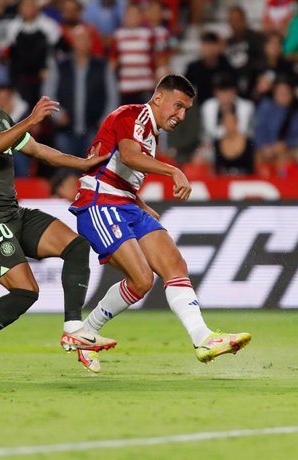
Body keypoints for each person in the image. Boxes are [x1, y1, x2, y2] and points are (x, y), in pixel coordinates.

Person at [0, 46, 115, 380]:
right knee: (26, 292)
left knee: (77, 247)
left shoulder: (1, 117)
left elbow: (38, 151)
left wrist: (83, 163)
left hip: (12, 210)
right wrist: (31, 119)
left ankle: (74, 328)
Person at [69, 74, 251, 371]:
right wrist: (173, 171)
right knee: (141, 278)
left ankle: (203, 338)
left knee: (174, 265)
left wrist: (141, 204)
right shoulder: (131, 115)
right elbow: (127, 157)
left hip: (126, 204)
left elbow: (115, 168)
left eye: (186, 110)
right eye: (177, 106)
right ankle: (85, 332)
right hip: (99, 204)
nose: (180, 115)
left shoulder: (150, 132)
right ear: (158, 98)